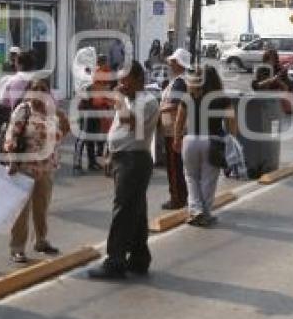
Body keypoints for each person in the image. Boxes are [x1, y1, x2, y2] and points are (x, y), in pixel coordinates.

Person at [88, 61, 159, 280]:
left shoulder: (147, 101)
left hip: (134, 160)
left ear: (139, 79)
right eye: (119, 80)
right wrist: (110, 154)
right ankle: (139, 258)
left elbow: (132, 125)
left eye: (124, 79)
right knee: (135, 211)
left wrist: (119, 102)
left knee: (123, 210)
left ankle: (115, 261)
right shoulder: (128, 100)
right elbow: (117, 129)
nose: (121, 84)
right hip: (123, 157)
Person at [5, 78, 67, 263]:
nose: (39, 92)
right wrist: (12, 162)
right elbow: (11, 137)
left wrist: (63, 121)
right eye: (35, 89)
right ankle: (17, 247)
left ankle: (41, 240)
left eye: (43, 89)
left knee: (42, 207)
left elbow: (61, 135)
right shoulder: (23, 110)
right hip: (25, 167)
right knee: (21, 211)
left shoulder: (52, 112)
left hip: (46, 168)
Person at [174, 65, 237, 226]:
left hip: (190, 140)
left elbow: (179, 121)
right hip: (212, 141)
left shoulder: (188, 96)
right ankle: (205, 214)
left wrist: (176, 139)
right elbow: (232, 124)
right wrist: (231, 140)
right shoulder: (222, 98)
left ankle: (195, 210)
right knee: (208, 180)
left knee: (190, 177)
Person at [159, 48, 190, 210]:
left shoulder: (179, 82)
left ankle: (177, 198)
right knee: (177, 166)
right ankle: (181, 196)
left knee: (174, 166)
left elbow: (174, 104)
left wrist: (157, 110)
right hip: (175, 130)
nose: (170, 64)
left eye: (172, 62)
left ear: (178, 64)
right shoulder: (178, 80)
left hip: (174, 131)